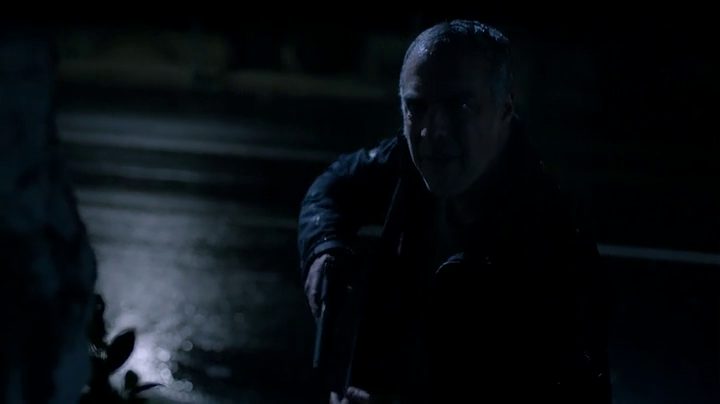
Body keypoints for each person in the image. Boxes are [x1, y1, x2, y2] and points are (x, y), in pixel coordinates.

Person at [298, 20, 611, 404]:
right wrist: (324, 249)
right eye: (417, 107)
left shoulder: (558, 255)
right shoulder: (407, 161)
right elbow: (335, 185)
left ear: (505, 110)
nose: (434, 131)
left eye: (461, 106)